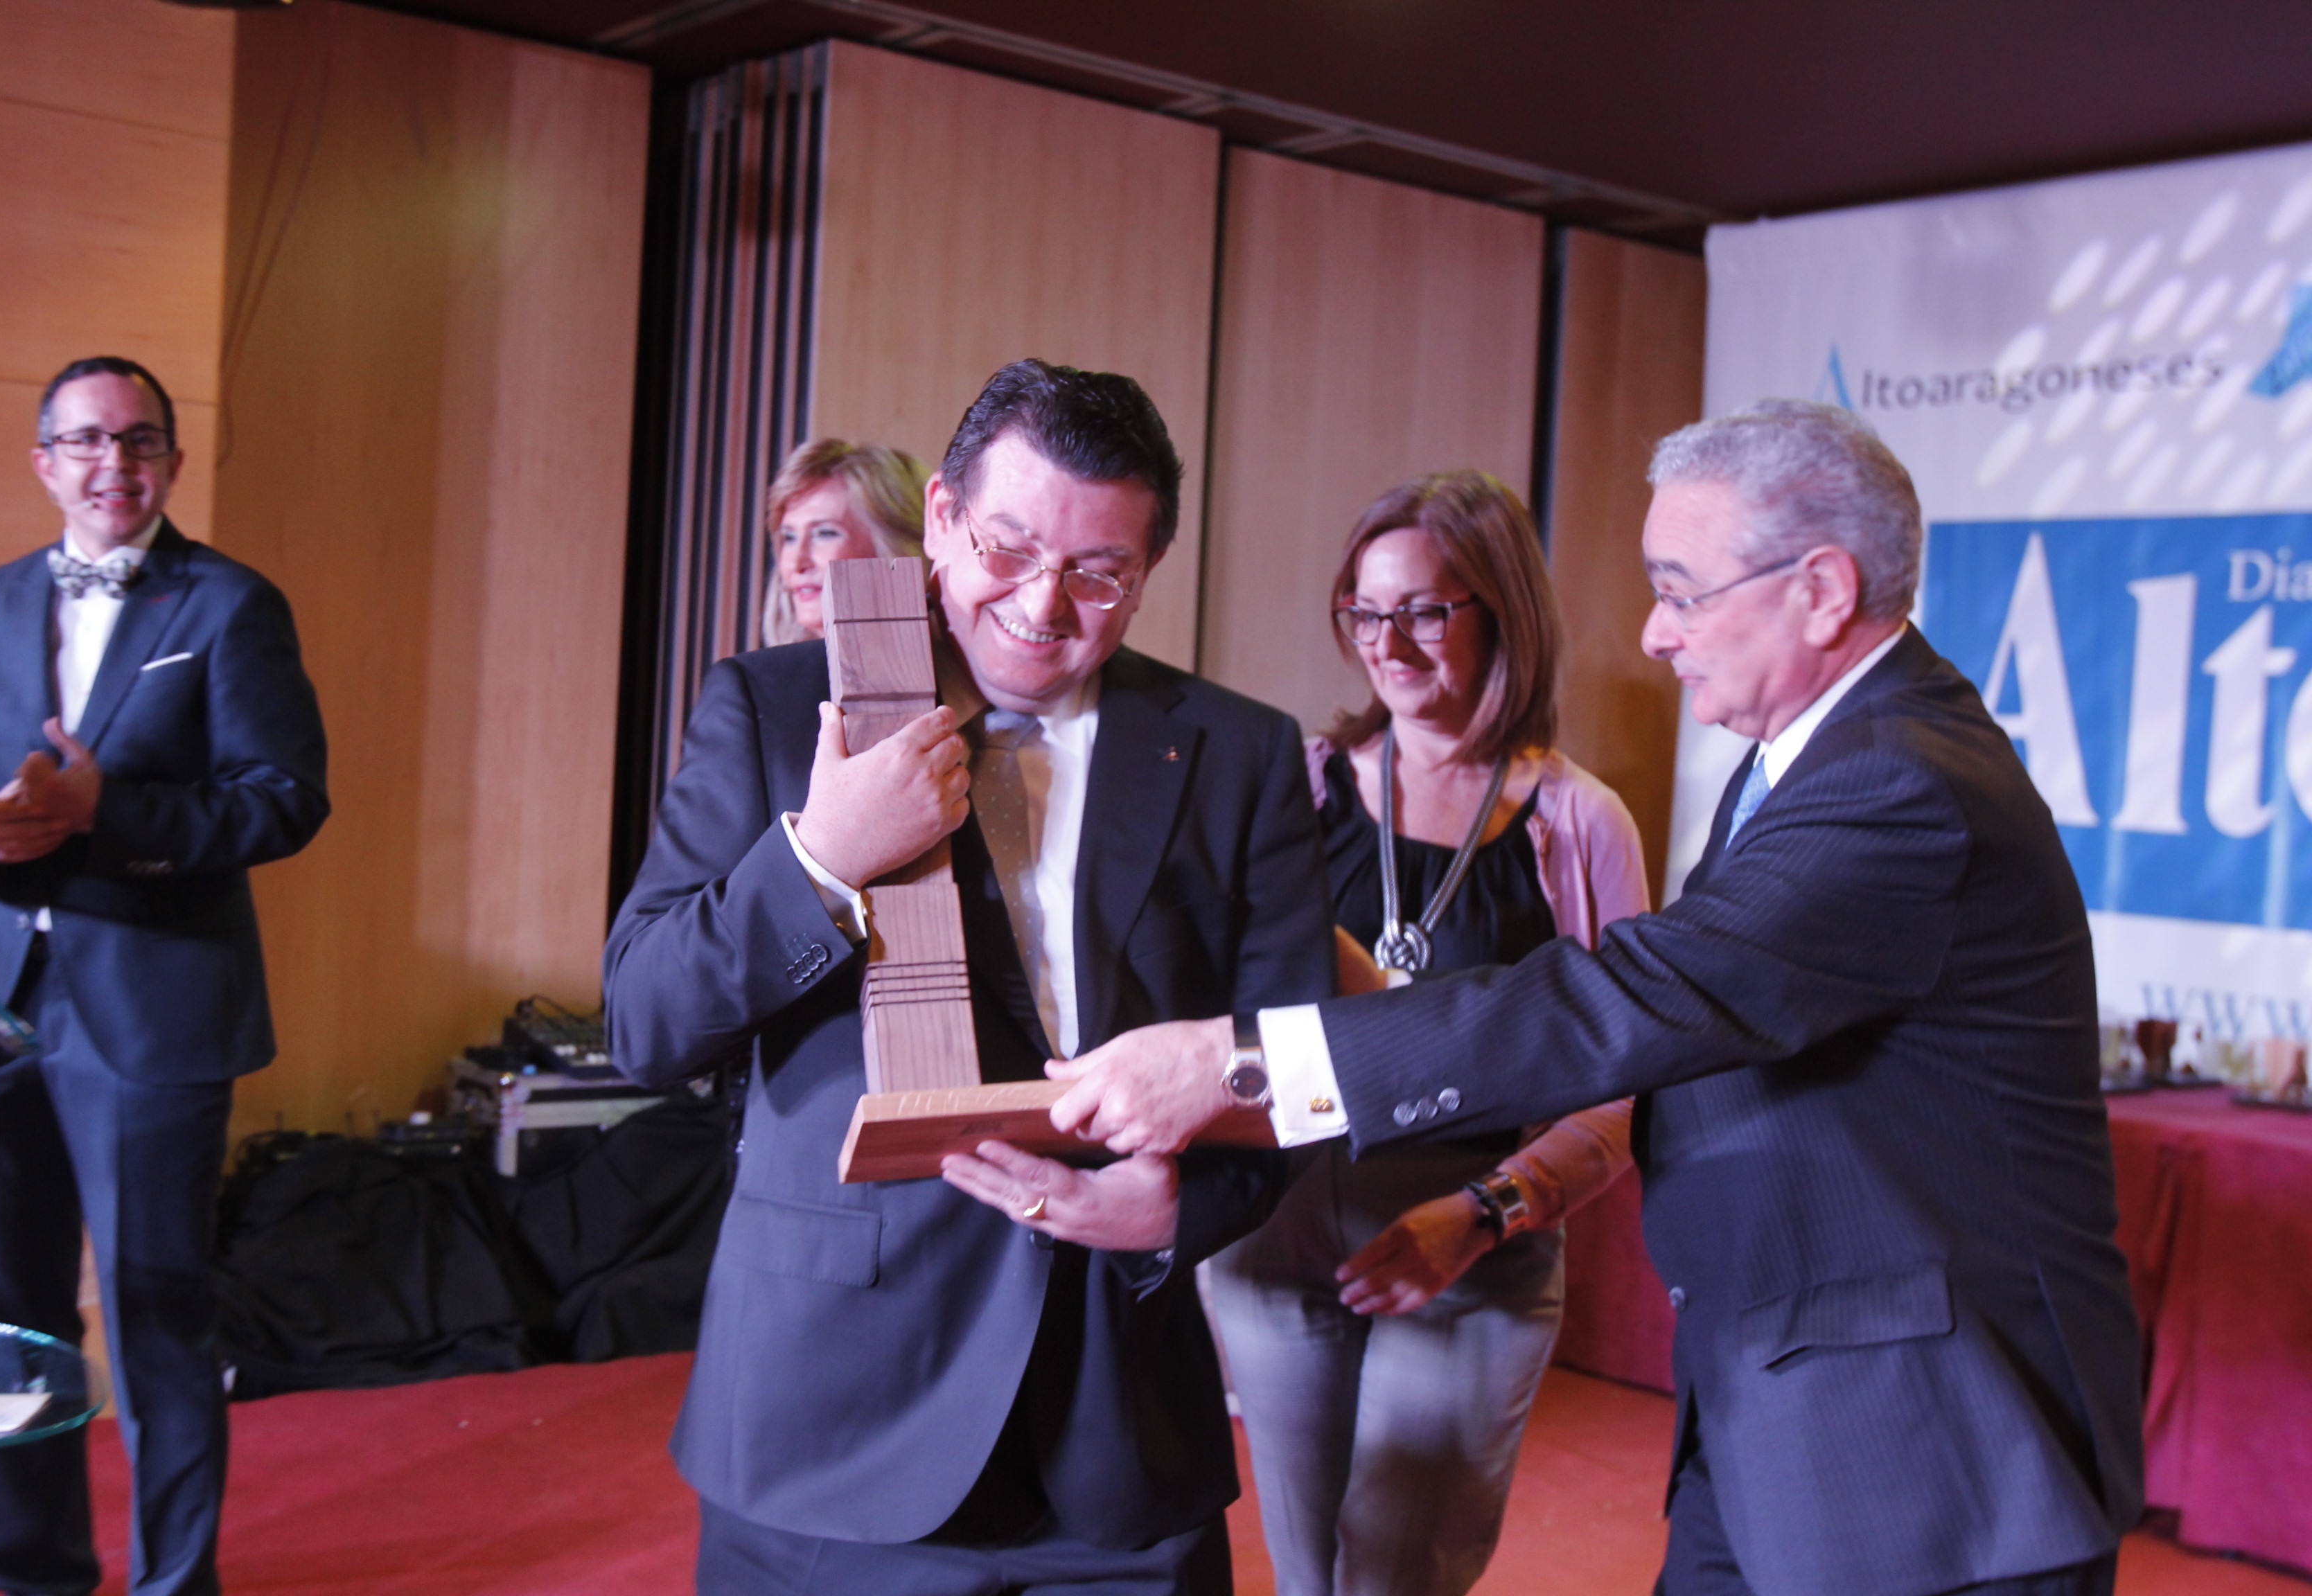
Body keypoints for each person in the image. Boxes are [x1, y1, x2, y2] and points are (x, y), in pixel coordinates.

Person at [1050, 400, 2146, 1596]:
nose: (1656, 633)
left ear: (1823, 589)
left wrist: (1239, 1062)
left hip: (1920, 1447)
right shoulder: (1817, 755)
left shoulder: (1896, 783)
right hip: (1788, 1404)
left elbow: (1626, 997)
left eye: (1682, 589)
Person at [603, 359, 1333, 1595]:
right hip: (832, 1412)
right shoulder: (776, 709)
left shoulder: (1239, 750)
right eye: (1006, 545)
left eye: (1101, 572)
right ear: (941, 514)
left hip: (1119, 1431)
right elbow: (645, 1020)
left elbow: (1301, 1049)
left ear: (1149, 568)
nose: (1044, 604)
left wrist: (1187, 1209)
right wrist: (822, 856)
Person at [0, 357, 329, 1596]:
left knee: (156, 1311)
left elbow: (286, 801)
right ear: (45, 460)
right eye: (88, 441)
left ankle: (172, 1584)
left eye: (141, 440)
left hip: (155, 1012)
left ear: (172, 462)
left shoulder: (231, 603)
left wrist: (117, 813)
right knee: (13, 1309)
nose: (116, 464)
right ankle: (32, 1567)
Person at [1207, 470, 1648, 1596]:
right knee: (1307, 1569)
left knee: (1396, 1572)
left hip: (1474, 1231)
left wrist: (1486, 1212)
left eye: (1424, 610)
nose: (1386, 642)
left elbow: (1621, 1086)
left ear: (1500, 612)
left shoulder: (1578, 822)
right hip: (1280, 1218)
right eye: (1365, 609)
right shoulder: (1294, 785)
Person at [759, 436, 929, 644]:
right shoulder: (752, 675)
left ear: (896, 549)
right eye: (790, 537)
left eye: (825, 534)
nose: (797, 564)